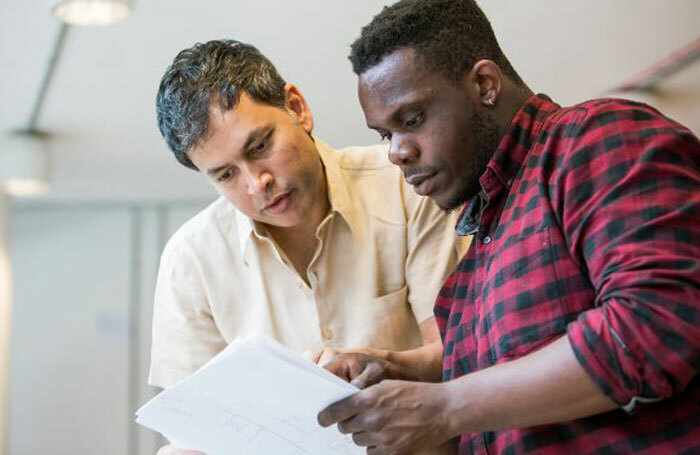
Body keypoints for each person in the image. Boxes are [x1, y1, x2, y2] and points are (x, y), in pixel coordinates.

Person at [317, 1, 700, 454]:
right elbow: (512, 369)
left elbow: (656, 325)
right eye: (386, 134)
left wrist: (443, 408)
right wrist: (400, 369)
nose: (396, 153)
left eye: (412, 119)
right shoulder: (482, 243)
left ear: (484, 84)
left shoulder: (595, 138)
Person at [150, 39, 469, 455]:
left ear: (297, 109)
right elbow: (197, 430)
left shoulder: (407, 187)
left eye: (260, 146)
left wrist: (384, 365)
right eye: (226, 175)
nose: (256, 183)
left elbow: (462, 357)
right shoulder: (190, 261)